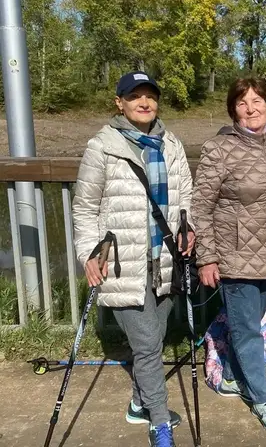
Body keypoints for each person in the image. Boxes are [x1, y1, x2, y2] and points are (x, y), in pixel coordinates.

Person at [72, 71, 194, 447]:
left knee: (153, 342)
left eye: (150, 96)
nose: (144, 103)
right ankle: (159, 423)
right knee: (146, 345)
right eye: (135, 96)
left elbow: (186, 195)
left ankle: (140, 402)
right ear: (119, 103)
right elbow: (84, 208)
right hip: (125, 264)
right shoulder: (102, 147)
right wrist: (88, 253)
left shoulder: (171, 144)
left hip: (166, 261)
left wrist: (189, 228)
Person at [190, 77, 266, 434]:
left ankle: (232, 375)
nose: (251, 108)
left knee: (259, 313)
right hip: (234, 254)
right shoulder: (218, 149)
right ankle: (262, 397)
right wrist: (207, 257)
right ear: (233, 109)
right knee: (248, 328)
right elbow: (200, 207)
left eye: (257, 101)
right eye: (242, 103)